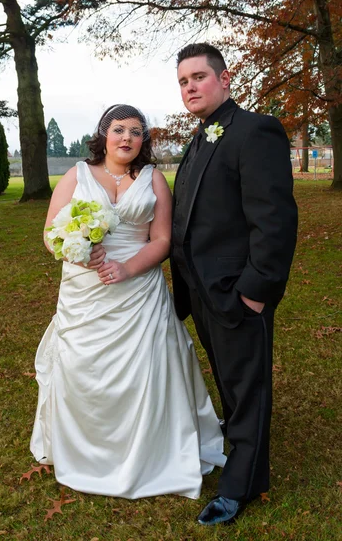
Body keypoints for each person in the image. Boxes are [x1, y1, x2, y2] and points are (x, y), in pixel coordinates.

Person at [30, 104, 226, 500]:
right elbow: (51, 233)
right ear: (103, 134)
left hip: (140, 292)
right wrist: (78, 250)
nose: (127, 138)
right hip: (85, 292)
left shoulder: (154, 181)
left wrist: (126, 269)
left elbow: (162, 241)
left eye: (136, 132)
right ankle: (86, 452)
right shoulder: (76, 175)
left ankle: (154, 452)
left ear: (144, 141)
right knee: (83, 368)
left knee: (148, 367)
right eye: (119, 129)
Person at [171, 44, 298, 525]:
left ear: (225, 80)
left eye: (199, 77)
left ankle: (240, 484)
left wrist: (256, 289)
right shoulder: (201, 138)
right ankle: (240, 437)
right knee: (230, 379)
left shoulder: (254, 130)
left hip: (238, 290)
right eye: (183, 82)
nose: (190, 88)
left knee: (248, 385)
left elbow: (276, 220)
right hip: (201, 290)